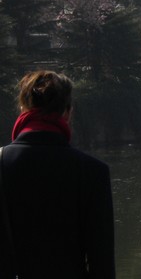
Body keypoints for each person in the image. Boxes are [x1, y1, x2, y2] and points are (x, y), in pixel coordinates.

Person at [0, 70, 115, 278]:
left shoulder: (1, 164)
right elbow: (103, 266)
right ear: (67, 113)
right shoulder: (93, 172)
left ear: (23, 108)